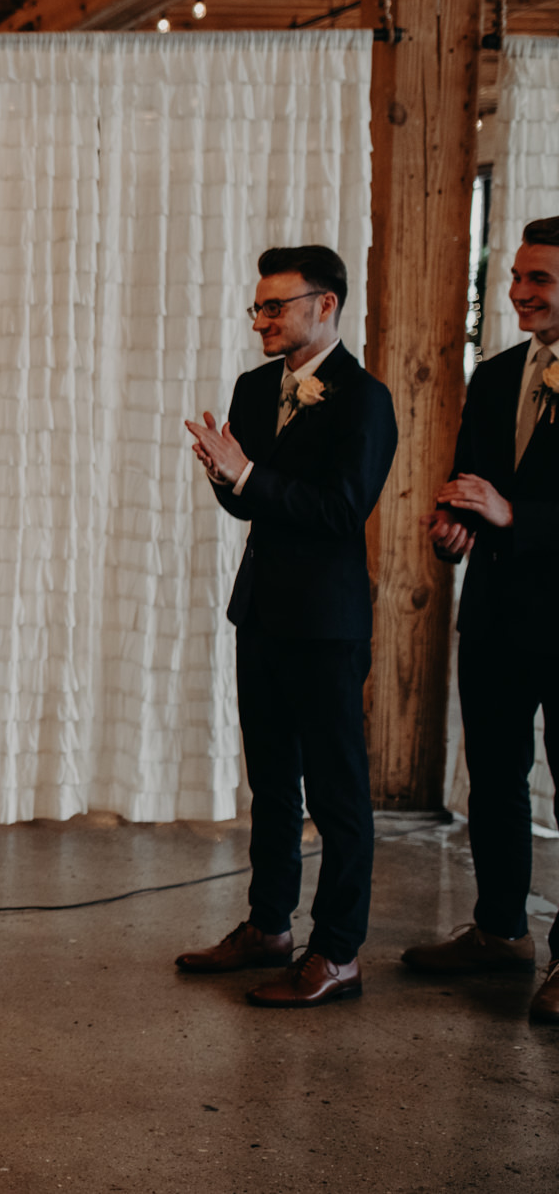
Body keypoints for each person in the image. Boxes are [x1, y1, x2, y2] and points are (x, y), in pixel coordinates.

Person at [178, 246, 398, 1007]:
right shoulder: (252, 386)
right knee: (271, 783)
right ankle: (269, 925)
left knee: (336, 793)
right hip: (262, 611)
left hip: (327, 621)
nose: (263, 320)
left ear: (325, 305)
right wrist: (224, 475)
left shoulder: (365, 400)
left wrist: (245, 473)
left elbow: (341, 511)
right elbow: (252, 504)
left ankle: (337, 951)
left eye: (277, 306)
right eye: (259, 307)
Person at [407, 217, 559, 1024]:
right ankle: (501, 930)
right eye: (516, 279)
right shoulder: (497, 373)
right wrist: (453, 522)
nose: (519, 294)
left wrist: (513, 513)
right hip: (497, 617)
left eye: (540, 281)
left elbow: (510, 501)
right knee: (494, 783)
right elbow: (471, 479)